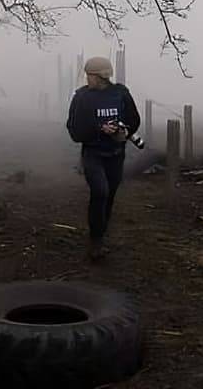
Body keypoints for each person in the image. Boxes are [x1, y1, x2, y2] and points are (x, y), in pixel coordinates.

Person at [65, 56, 141, 261]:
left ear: (100, 76)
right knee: (100, 192)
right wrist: (99, 129)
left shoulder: (121, 94)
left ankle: (101, 231)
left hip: (116, 154)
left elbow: (134, 120)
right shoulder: (82, 97)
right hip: (93, 154)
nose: (87, 79)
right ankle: (96, 241)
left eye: (89, 75)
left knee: (109, 195)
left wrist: (123, 129)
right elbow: (74, 130)